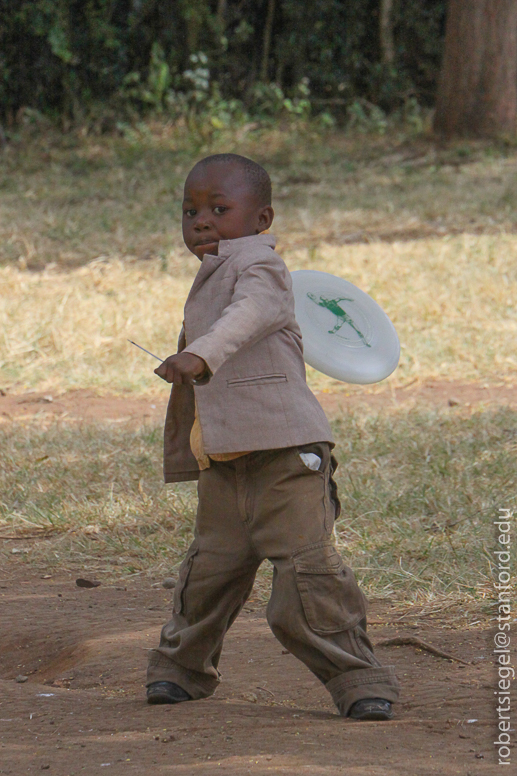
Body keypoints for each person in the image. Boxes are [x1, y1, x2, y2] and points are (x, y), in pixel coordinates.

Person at [146, 153, 400, 720]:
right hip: (227, 460)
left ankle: (359, 679)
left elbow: (252, 314)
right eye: (190, 211)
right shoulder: (212, 272)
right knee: (208, 573)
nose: (201, 221)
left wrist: (198, 353)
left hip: (286, 456)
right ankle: (178, 672)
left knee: (308, 578)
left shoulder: (261, 266)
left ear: (263, 219)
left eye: (219, 209)